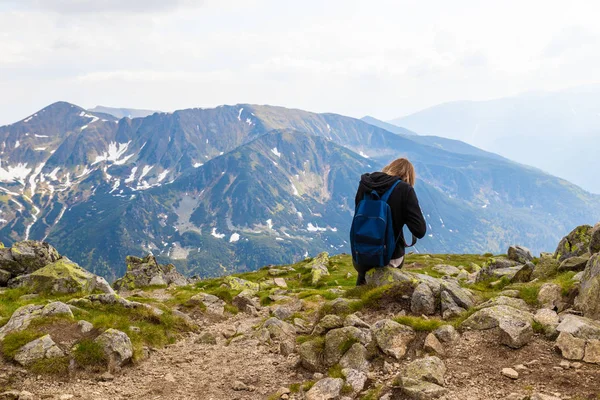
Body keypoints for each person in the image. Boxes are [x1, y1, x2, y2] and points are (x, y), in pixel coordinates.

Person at [353, 158, 427, 285]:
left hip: (359, 254)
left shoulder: (366, 184)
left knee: (363, 279)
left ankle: (361, 287)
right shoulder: (405, 189)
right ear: (409, 177)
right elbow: (419, 231)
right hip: (389, 257)